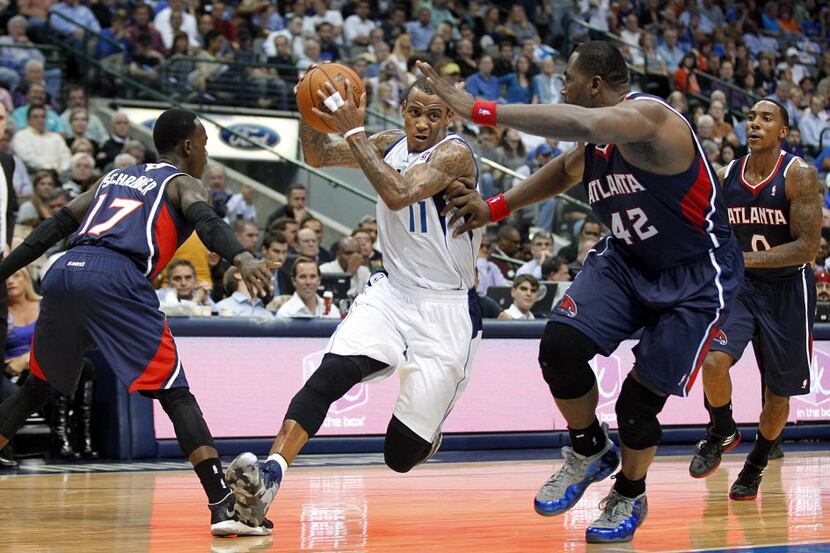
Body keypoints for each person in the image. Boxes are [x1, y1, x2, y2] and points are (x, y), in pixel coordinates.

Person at [417, 40, 743, 543]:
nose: (561, 86)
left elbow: (586, 124)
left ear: (594, 84)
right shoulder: (597, 145)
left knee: (637, 406)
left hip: (694, 277)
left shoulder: (652, 121)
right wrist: (495, 207)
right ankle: (589, 446)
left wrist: (478, 109)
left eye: (568, 78)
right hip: (626, 263)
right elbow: (567, 169)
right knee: (560, 348)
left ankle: (629, 493)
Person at [224, 73, 482, 529]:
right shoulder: (386, 142)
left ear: (449, 118)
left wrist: (353, 129)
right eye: (415, 112)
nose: (422, 123)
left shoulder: (454, 153)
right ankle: (268, 478)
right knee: (329, 376)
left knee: (400, 456)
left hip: (446, 310)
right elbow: (317, 154)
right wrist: (310, 109)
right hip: (392, 292)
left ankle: (430, 430)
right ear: (401, 109)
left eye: (434, 114)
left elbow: (398, 193)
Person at [0, 108, 274, 536]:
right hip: (116, 276)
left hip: (64, 268)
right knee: (175, 393)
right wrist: (242, 255)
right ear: (188, 146)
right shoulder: (181, 182)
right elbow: (206, 220)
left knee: (38, 385)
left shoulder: (113, 178)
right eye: (203, 146)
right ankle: (224, 506)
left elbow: (52, 228)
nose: (204, 155)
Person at [687, 99, 821, 500]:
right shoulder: (729, 174)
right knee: (713, 358)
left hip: (788, 291)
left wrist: (743, 259)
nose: (755, 124)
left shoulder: (799, 175)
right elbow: (716, 232)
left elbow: (807, 248)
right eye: (750, 117)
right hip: (744, 289)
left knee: (778, 395)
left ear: (783, 131)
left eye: (766, 118)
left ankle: (757, 463)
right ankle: (721, 429)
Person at [275, 257, 340, 319]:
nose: (308, 282)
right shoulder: (284, 314)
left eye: (312, 276)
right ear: (294, 281)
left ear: (319, 280)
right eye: (303, 277)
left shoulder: (333, 311)